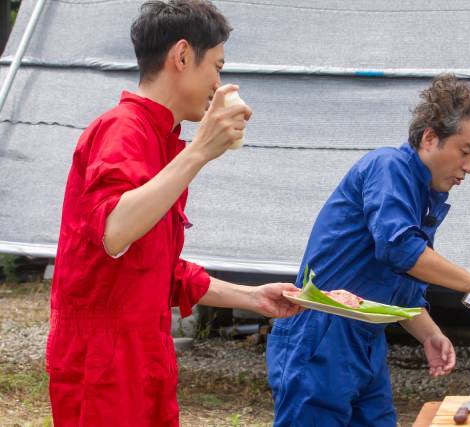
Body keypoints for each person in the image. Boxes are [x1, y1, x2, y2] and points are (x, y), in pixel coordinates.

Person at [45, 1, 300, 425]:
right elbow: (113, 229)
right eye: (216, 67)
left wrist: (252, 297)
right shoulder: (122, 128)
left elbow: (159, 268)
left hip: (144, 350)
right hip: (105, 360)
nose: (218, 83)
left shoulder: (163, 140)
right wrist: (200, 151)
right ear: (182, 56)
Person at [266, 74, 470, 427]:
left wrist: (430, 334)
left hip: (366, 341)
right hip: (322, 332)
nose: (469, 168)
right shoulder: (389, 167)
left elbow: (403, 283)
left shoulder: (426, 196)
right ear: (430, 137)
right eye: (465, 152)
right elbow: (399, 249)